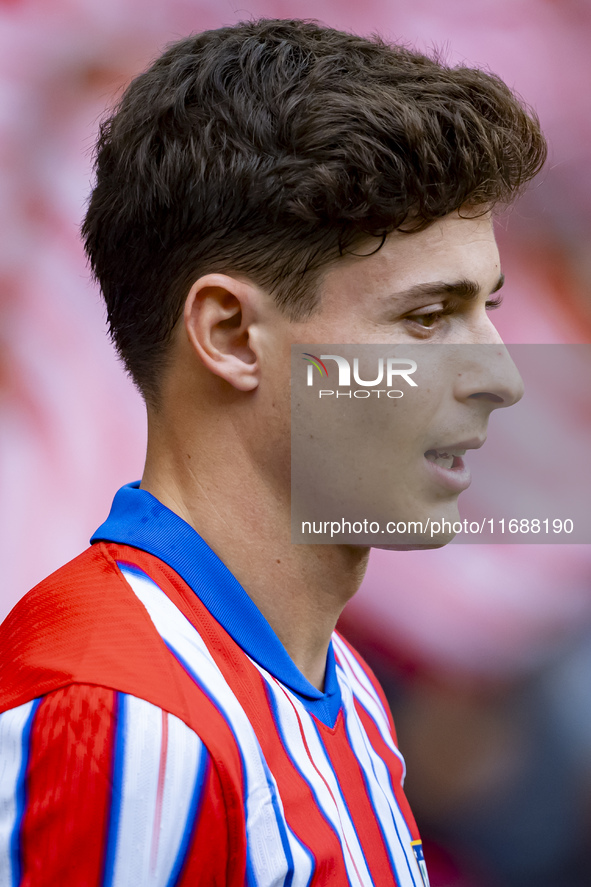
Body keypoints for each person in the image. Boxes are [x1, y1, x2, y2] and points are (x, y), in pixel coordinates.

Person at [0, 18, 546, 887]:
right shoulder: (125, 716)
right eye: (426, 316)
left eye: (487, 308)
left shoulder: (341, 683)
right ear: (229, 333)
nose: (498, 377)